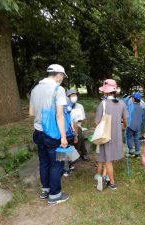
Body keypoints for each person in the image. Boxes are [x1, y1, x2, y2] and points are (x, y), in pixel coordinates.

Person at [29, 64, 69, 206]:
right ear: (58, 75)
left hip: (38, 132)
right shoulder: (59, 89)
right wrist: (63, 137)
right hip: (54, 134)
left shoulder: (35, 89)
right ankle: (55, 195)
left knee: (44, 162)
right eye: (63, 76)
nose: (62, 79)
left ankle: (45, 190)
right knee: (58, 163)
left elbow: (31, 113)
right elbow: (59, 115)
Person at [95, 79, 128, 190]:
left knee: (108, 159)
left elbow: (97, 122)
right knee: (110, 157)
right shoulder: (122, 103)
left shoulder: (103, 104)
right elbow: (125, 120)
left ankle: (112, 183)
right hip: (117, 134)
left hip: (106, 135)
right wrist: (125, 126)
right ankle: (105, 176)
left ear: (105, 91)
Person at [66, 89, 89, 161]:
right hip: (66, 127)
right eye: (72, 95)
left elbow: (81, 119)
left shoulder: (79, 106)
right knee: (80, 136)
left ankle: (77, 153)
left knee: (79, 133)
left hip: (77, 126)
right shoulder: (64, 106)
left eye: (75, 95)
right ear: (68, 97)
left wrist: (76, 119)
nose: (74, 97)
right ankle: (81, 153)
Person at [126, 92, 145, 158]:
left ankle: (131, 151)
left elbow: (127, 115)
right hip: (138, 126)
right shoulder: (141, 107)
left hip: (130, 125)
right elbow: (142, 117)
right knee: (136, 139)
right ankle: (137, 152)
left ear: (133, 99)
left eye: (132, 97)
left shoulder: (131, 106)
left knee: (128, 137)